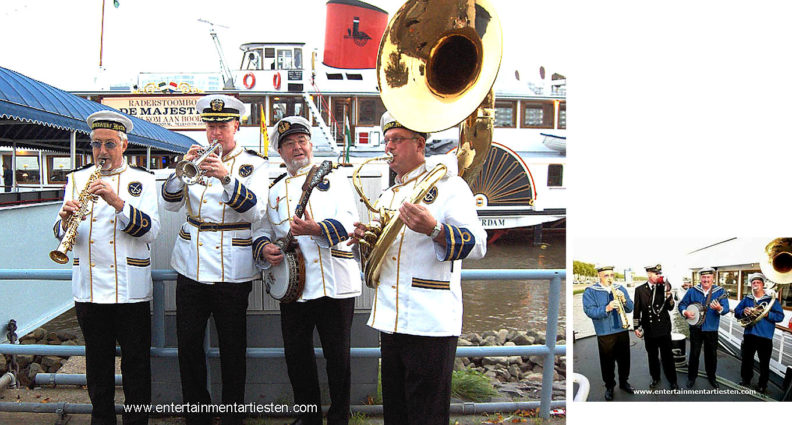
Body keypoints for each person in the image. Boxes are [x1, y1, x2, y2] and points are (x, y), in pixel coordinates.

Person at [349, 111, 486, 425]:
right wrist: (363, 244)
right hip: (391, 319)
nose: (389, 148)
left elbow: (478, 246)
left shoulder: (451, 187)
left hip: (431, 320)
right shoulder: (388, 196)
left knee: (427, 414)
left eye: (397, 140)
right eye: (387, 141)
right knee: (396, 412)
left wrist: (434, 229)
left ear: (420, 144)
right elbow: (384, 260)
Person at [161, 94, 268, 425]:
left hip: (231, 269)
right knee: (189, 346)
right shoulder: (194, 157)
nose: (215, 134)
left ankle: (233, 416)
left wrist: (225, 176)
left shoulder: (255, 164)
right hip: (190, 265)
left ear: (237, 126)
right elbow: (169, 204)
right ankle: (198, 415)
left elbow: (256, 211)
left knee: (232, 349)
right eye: (211, 126)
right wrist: (181, 172)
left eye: (222, 126)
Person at [252, 116, 361, 425]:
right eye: (289, 143)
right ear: (280, 152)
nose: (296, 147)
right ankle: (307, 417)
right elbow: (262, 230)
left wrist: (316, 229)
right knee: (296, 356)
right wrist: (265, 248)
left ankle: (340, 418)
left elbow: (351, 222)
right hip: (294, 287)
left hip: (334, 283)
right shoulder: (273, 192)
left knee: (338, 357)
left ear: (311, 145)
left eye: (301, 141)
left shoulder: (335, 179)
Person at [54, 110, 160, 425]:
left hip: (130, 291)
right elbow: (63, 234)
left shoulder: (143, 180)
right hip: (89, 290)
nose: (102, 152)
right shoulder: (76, 179)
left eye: (110, 144)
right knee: (97, 367)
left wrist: (117, 202)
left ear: (124, 145)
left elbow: (152, 231)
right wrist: (63, 221)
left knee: (137, 366)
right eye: (97, 144)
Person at [582, 266, 635, 400]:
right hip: (605, 332)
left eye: (612, 275)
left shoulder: (620, 288)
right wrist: (607, 307)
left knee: (625, 360)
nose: (610, 278)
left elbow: (630, 308)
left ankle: (624, 382)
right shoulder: (590, 291)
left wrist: (624, 300)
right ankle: (609, 386)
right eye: (606, 276)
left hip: (622, 329)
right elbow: (590, 311)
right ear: (599, 276)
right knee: (607, 362)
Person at [679, 267, 730, 389]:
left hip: (711, 329)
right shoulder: (692, 291)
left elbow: (726, 309)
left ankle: (712, 377)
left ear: (713, 278)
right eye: (704, 277)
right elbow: (682, 304)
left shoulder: (720, 291)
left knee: (711, 355)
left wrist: (719, 309)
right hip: (696, 328)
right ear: (700, 278)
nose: (706, 279)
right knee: (694, 354)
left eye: (708, 277)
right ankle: (692, 377)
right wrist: (685, 312)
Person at [734, 273, 784, 393]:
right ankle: (745, 380)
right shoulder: (747, 299)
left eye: (758, 283)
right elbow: (736, 312)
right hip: (749, 335)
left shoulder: (771, 300)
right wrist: (743, 311)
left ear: (762, 285)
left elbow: (780, 316)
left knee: (764, 363)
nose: (755, 284)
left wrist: (767, 314)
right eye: (753, 283)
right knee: (747, 360)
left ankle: (762, 385)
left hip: (765, 336)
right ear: (751, 285)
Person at [632, 264, 678, 390]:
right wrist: (636, 327)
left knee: (667, 356)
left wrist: (669, 298)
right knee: (652, 357)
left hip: (663, 329)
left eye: (659, 273)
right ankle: (655, 378)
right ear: (649, 274)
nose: (659, 276)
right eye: (656, 273)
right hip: (649, 330)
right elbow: (637, 310)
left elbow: (670, 307)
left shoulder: (664, 288)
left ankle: (673, 381)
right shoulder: (640, 290)